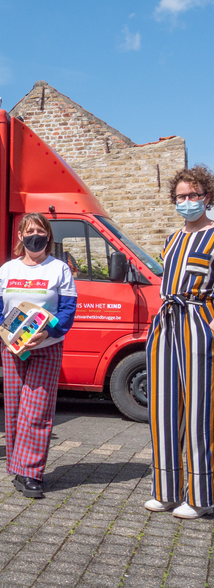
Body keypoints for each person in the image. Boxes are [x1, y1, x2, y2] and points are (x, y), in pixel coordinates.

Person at [0, 212, 77, 499]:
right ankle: (16, 467)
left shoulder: (59, 269)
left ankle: (31, 472)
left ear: (48, 236)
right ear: (20, 237)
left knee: (36, 410)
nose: (33, 235)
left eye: (39, 230)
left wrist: (49, 332)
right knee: (14, 409)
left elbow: (68, 309)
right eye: (28, 230)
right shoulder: (7, 269)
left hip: (46, 347)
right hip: (13, 349)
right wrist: (1, 333)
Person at [145, 166, 214, 519]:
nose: (187, 202)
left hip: (199, 322)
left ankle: (202, 497)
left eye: (194, 195)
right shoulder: (173, 238)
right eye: (181, 197)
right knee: (163, 406)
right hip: (166, 322)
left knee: (201, 410)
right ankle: (166, 490)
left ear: (207, 197)